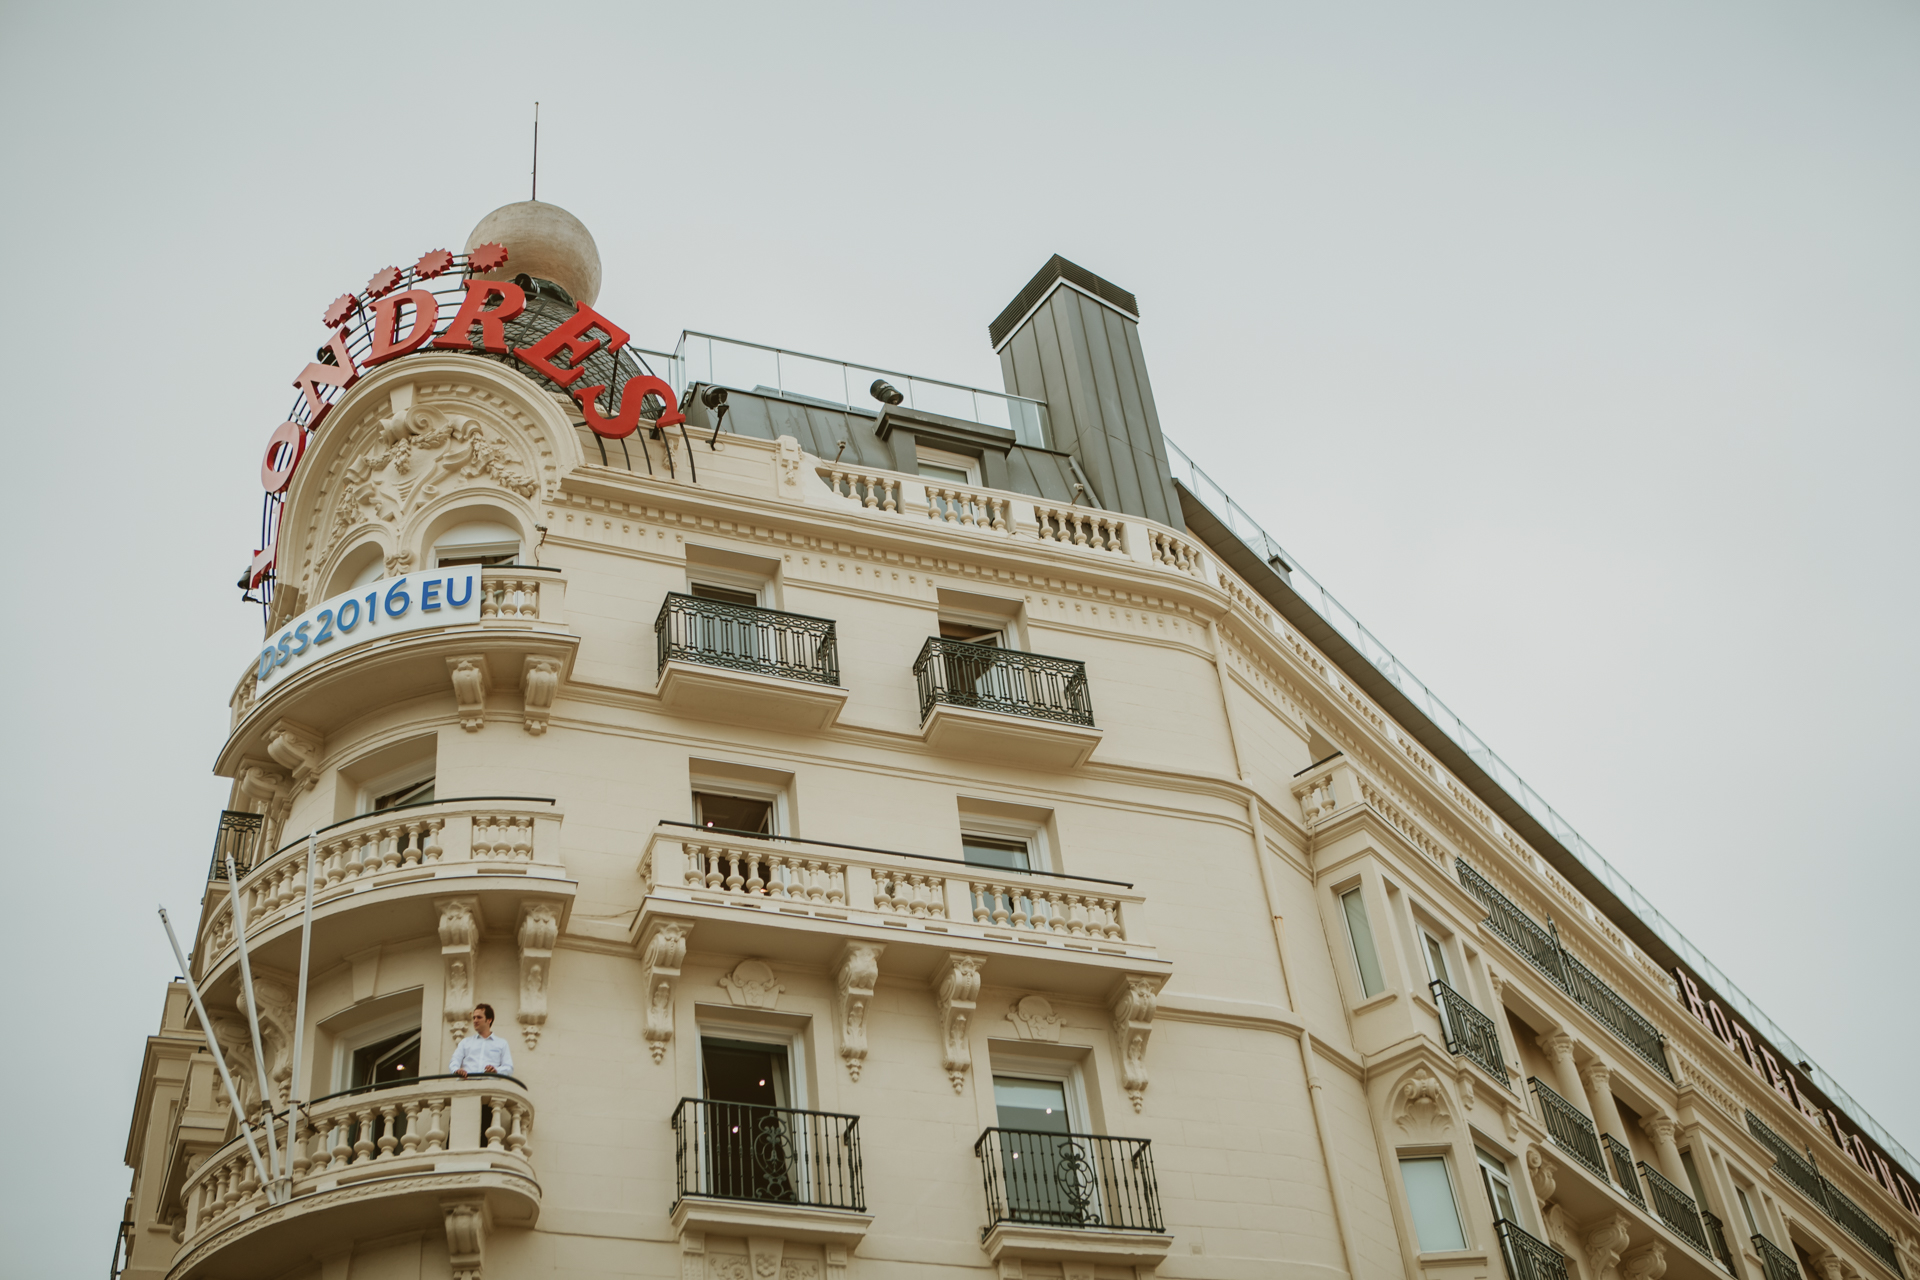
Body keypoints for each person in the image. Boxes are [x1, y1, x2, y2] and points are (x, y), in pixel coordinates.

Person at [449, 1004, 515, 1078]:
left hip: (489, 1087)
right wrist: (457, 1070)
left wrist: (495, 1070)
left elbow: (509, 1068)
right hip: (467, 1085)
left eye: (479, 1017)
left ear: (489, 1020)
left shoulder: (502, 1043)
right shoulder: (465, 1042)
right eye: (474, 1018)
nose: (475, 1020)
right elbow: (454, 1061)